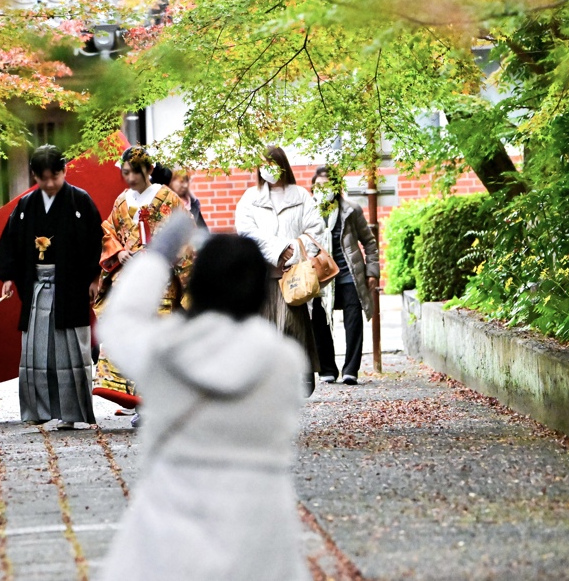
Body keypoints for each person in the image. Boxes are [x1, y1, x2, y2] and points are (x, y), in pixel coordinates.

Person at [97, 215, 309, 581]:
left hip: (167, 532)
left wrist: (158, 255)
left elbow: (118, 322)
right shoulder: (283, 362)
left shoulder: (163, 351)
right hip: (259, 533)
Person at [0, 145, 104, 429]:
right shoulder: (26, 206)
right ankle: (36, 410)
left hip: (72, 286)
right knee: (36, 350)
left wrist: (95, 277)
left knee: (71, 350)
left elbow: (97, 242)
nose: (50, 184)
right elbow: (12, 244)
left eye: (55, 177)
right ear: (34, 176)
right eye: (43, 179)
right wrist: (7, 277)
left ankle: (71, 413)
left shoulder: (80, 201)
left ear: (64, 171)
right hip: (37, 285)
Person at [93, 146, 192, 418]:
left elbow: (185, 233)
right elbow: (108, 231)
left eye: (134, 172)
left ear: (148, 170)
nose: (129, 178)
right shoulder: (122, 201)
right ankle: (139, 404)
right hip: (130, 277)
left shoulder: (167, 197)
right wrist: (119, 251)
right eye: (125, 173)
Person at [234, 146, 326, 396]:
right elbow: (247, 232)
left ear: (282, 165)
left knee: (292, 327)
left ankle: (302, 371)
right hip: (262, 277)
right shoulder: (250, 199)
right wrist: (278, 250)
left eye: (272, 164)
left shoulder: (301, 196)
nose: (268, 169)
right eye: (263, 164)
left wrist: (293, 250)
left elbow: (316, 230)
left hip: (294, 276)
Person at [308, 166, 380, 385]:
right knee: (318, 322)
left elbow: (369, 242)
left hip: (349, 273)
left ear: (337, 187)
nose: (323, 189)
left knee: (354, 321)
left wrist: (372, 270)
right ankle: (327, 369)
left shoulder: (351, 210)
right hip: (320, 275)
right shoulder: (308, 211)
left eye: (328, 185)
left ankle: (351, 370)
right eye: (319, 185)